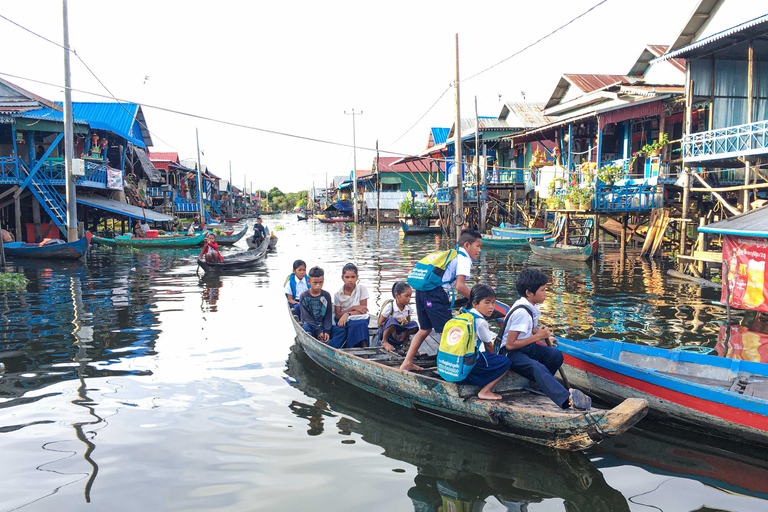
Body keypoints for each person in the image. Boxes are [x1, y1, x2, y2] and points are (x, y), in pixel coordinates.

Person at [500, 268, 591, 410]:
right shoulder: (522, 312)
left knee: (555, 355)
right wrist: (537, 337)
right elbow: (510, 345)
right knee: (538, 367)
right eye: (542, 290)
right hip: (511, 353)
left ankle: (537, 384)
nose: (546, 294)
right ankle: (566, 399)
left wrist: (544, 337)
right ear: (529, 293)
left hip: (525, 347)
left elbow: (530, 328)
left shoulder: (530, 306)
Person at [400, 228, 483, 371]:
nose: (479, 250)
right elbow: (460, 286)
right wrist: (478, 300)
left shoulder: (451, 254)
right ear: (467, 245)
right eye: (478, 246)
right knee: (449, 331)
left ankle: (407, 361)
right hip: (434, 294)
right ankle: (449, 367)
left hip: (421, 292)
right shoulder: (463, 258)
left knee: (425, 329)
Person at [459, 284, 512, 400]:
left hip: (457, 363)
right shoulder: (480, 321)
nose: (491, 307)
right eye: (487, 303)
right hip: (469, 368)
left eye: (493, 303)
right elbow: (488, 345)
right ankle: (485, 391)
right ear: (475, 303)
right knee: (506, 362)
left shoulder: (463, 314)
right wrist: (496, 362)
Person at [300, 267, 346, 348]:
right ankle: (314, 347)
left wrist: (326, 331)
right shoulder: (304, 296)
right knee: (307, 331)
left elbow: (328, 316)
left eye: (321, 282)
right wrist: (318, 331)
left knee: (342, 331)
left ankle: (330, 349)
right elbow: (306, 318)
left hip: (323, 326)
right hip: (310, 326)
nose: (318, 285)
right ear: (309, 282)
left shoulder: (326, 295)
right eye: (315, 283)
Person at [333, 263, 370, 348]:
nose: (350, 280)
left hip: (360, 317)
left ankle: (365, 350)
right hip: (344, 320)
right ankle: (351, 348)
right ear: (342, 278)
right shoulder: (337, 294)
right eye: (347, 277)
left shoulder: (362, 289)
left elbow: (363, 311)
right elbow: (338, 315)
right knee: (352, 325)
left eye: (353, 277)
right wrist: (353, 308)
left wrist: (347, 313)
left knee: (362, 323)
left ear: (357, 277)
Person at [377, 282, 419, 352]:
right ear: (397, 295)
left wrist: (404, 321)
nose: (409, 299)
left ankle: (405, 341)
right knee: (392, 321)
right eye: (406, 296)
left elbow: (408, 323)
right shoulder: (390, 307)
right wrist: (395, 320)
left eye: (410, 296)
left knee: (414, 324)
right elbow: (380, 323)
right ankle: (385, 341)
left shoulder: (408, 309)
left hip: (400, 332)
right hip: (390, 332)